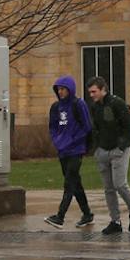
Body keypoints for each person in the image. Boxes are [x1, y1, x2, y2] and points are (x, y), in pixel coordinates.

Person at [86, 77, 130, 234]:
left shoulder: (117, 104)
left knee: (120, 184)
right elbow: (95, 128)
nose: (91, 95)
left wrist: (122, 146)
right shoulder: (95, 107)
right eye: (89, 92)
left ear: (103, 89)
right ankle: (115, 221)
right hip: (102, 150)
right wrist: (96, 148)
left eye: (94, 91)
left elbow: (129, 127)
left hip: (119, 150)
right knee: (108, 188)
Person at [42, 75, 94, 229]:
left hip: (76, 149)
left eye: (63, 89)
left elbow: (87, 126)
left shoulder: (79, 104)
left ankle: (60, 216)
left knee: (69, 182)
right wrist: (58, 140)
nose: (60, 91)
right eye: (58, 89)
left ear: (70, 90)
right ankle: (87, 214)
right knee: (75, 182)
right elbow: (52, 126)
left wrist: (74, 140)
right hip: (62, 150)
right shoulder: (55, 107)